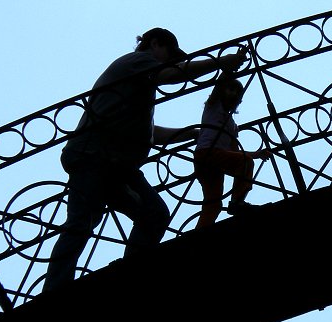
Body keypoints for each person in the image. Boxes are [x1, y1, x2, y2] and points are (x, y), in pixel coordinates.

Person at [43, 28, 247, 293]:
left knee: (153, 214)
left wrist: (191, 134)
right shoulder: (137, 62)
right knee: (81, 222)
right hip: (94, 156)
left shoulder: (137, 85)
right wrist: (221, 62)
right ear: (155, 43)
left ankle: (132, 276)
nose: (169, 61)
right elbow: (172, 75)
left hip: (113, 164)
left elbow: (150, 134)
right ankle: (55, 291)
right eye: (169, 55)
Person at [193, 73, 271, 229]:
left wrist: (258, 154)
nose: (234, 94)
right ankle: (237, 202)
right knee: (246, 162)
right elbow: (219, 84)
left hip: (212, 160)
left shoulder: (232, 126)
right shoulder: (213, 106)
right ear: (222, 91)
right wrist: (230, 68)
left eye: (237, 92)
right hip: (207, 153)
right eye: (230, 89)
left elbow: (235, 152)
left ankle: (199, 234)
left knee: (213, 203)